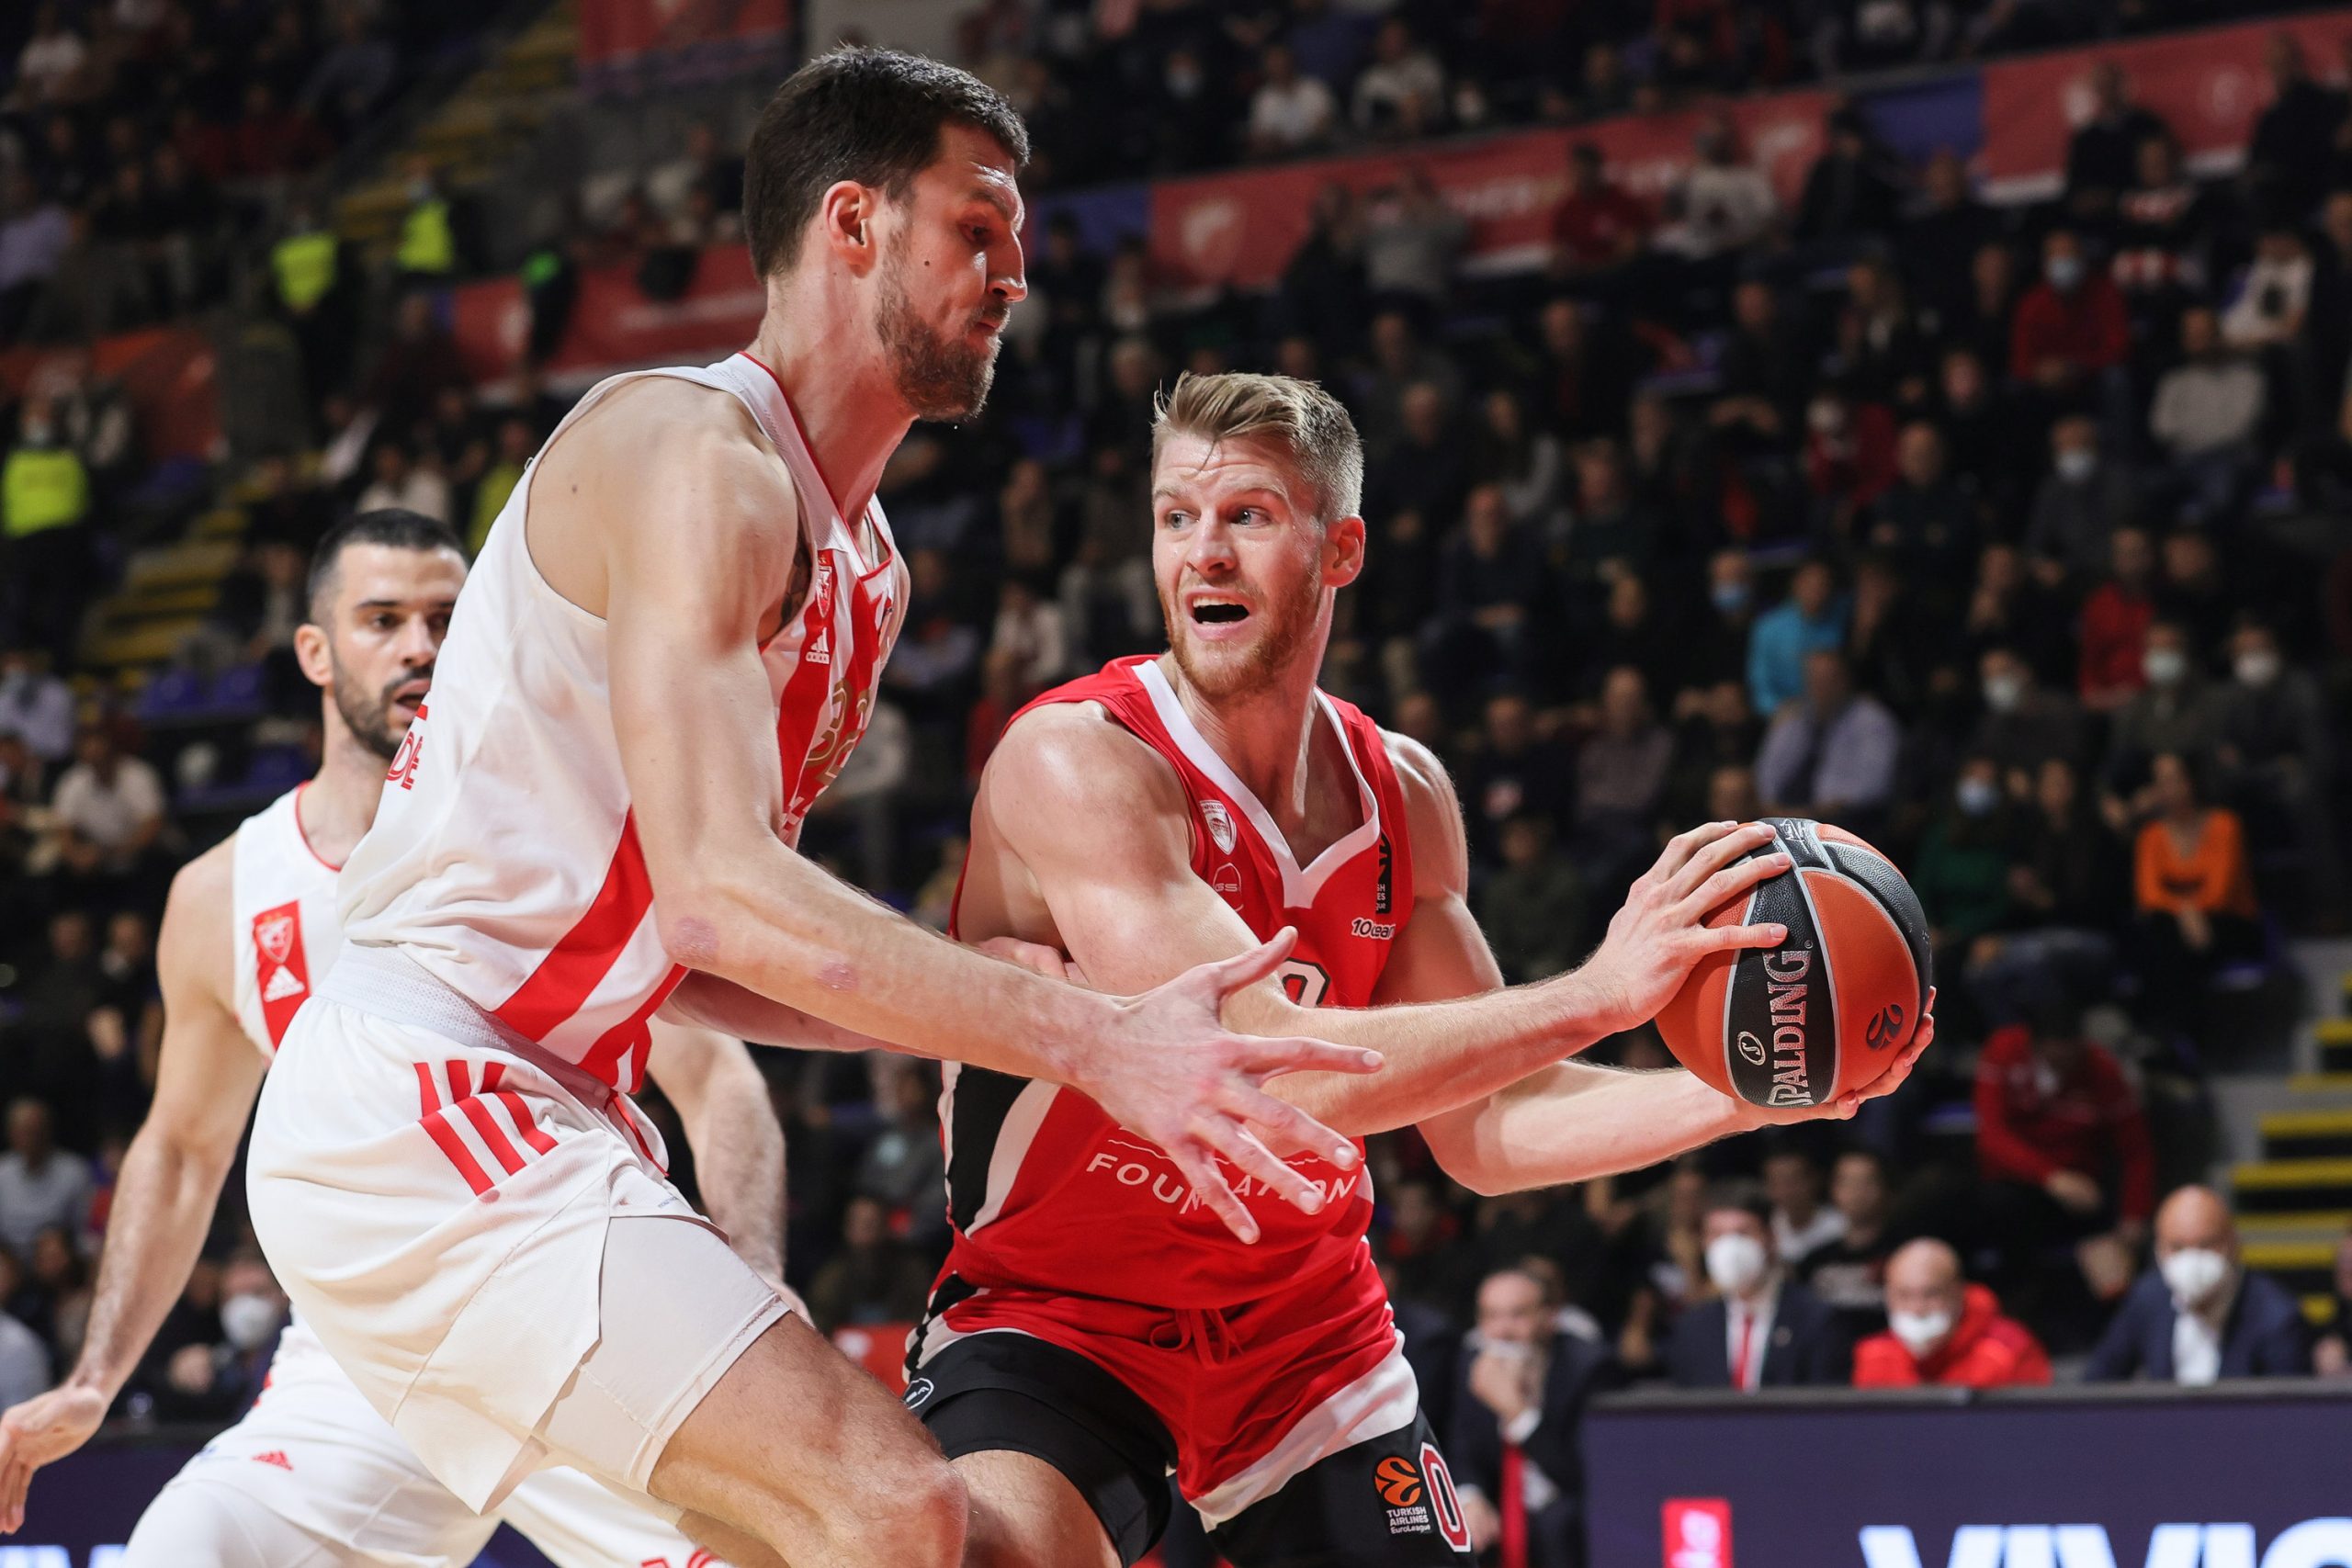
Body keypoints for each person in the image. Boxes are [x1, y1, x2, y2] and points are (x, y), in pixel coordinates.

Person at [237, 52, 1377, 1568]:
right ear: (853, 224)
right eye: (977, 227)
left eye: (1018, 235)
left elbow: (691, 941)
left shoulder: (871, 568)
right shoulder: (694, 456)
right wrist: (1092, 1037)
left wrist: (989, 1007)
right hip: (432, 1076)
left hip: (557, 1095)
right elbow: (719, 888)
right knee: (894, 1505)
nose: (1018, 271)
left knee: (873, 1551)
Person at [931, 373, 1929, 1567]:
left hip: (1304, 1335)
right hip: (1064, 1312)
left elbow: (1486, 1125)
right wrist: (1604, 990)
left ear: (1339, 547)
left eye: (1247, 514)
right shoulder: (1077, 763)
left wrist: (1752, 1090)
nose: (1203, 552)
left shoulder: (1402, 793)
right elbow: (1274, 1075)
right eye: (1174, 517)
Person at [0, 513, 772, 1565]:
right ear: (315, 652)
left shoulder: (562, 841)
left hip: (586, 1293)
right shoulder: (226, 889)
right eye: (384, 620)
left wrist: (752, 1281)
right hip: (370, 1342)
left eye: (447, 619)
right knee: (188, 1543)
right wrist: (96, 1378)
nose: (421, 646)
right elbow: (180, 1150)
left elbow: (717, 1081)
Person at [1446, 1267, 1617, 1568]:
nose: (1503, 1331)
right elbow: (1462, 1447)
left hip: (1568, 1509)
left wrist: (1516, 1412)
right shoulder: (1474, 1364)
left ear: (1549, 1316)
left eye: (1517, 1315)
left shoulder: (1588, 1367)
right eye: (1491, 1316)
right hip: (1504, 1510)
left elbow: (1583, 1476)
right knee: (1460, 1527)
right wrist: (1470, 1496)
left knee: (1557, 1524)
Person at [2085, 1185, 2312, 1383]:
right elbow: (2097, 1386)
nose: (2191, 1260)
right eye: (2178, 1247)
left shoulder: (2277, 1317)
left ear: (2234, 1244)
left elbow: (2287, 1418)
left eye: (2206, 1245)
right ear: (2159, 1250)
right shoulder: (2147, 1299)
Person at [1667, 1188, 1851, 1391]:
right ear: (1703, 1243)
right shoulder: (1692, 1328)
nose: (1729, 1248)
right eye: (1717, 1234)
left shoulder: (1815, 1319)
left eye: (1743, 1233)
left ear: (1770, 1238)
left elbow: (1827, 1407)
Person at [1852, 1238, 2051, 1389]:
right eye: (1904, 1295)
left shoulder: (2010, 1350)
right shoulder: (1873, 1355)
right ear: (1888, 1296)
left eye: (1931, 1294)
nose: (1917, 1309)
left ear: (1957, 1293)